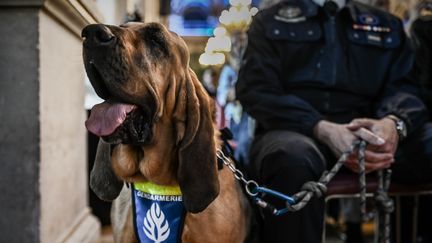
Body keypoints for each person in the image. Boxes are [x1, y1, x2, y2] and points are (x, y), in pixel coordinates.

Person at [236, 0, 432, 242]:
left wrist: (393, 123)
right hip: (296, 130)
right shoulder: (270, 21)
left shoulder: (386, 24)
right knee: (290, 159)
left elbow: (407, 88)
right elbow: (256, 90)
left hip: (371, 133)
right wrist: (321, 128)